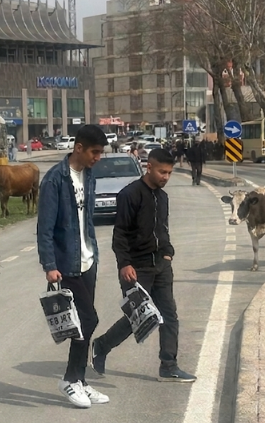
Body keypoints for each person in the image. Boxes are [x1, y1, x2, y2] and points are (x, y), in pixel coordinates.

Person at [92, 148, 196, 383]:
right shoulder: (130, 195)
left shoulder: (163, 197)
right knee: (138, 318)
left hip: (161, 266)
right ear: (149, 167)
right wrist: (124, 263)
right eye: (162, 172)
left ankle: (169, 365)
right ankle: (101, 346)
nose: (165, 177)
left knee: (169, 315)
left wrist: (168, 252)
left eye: (169, 173)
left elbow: (163, 229)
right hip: (136, 268)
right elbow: (120, 234)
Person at [37, 124, 110, 409]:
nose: (98, 158)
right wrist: (49, 264)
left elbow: (86, 219)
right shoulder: (55, 179)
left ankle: (79, 380)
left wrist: (92, 250)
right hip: (66, 263)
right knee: (88, 319)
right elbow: (45, 227)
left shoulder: (88, 175)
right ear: (78, 147)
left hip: (88, 259)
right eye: (95, 152)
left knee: (82, 323)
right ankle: (69, 379)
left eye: (101, 152)